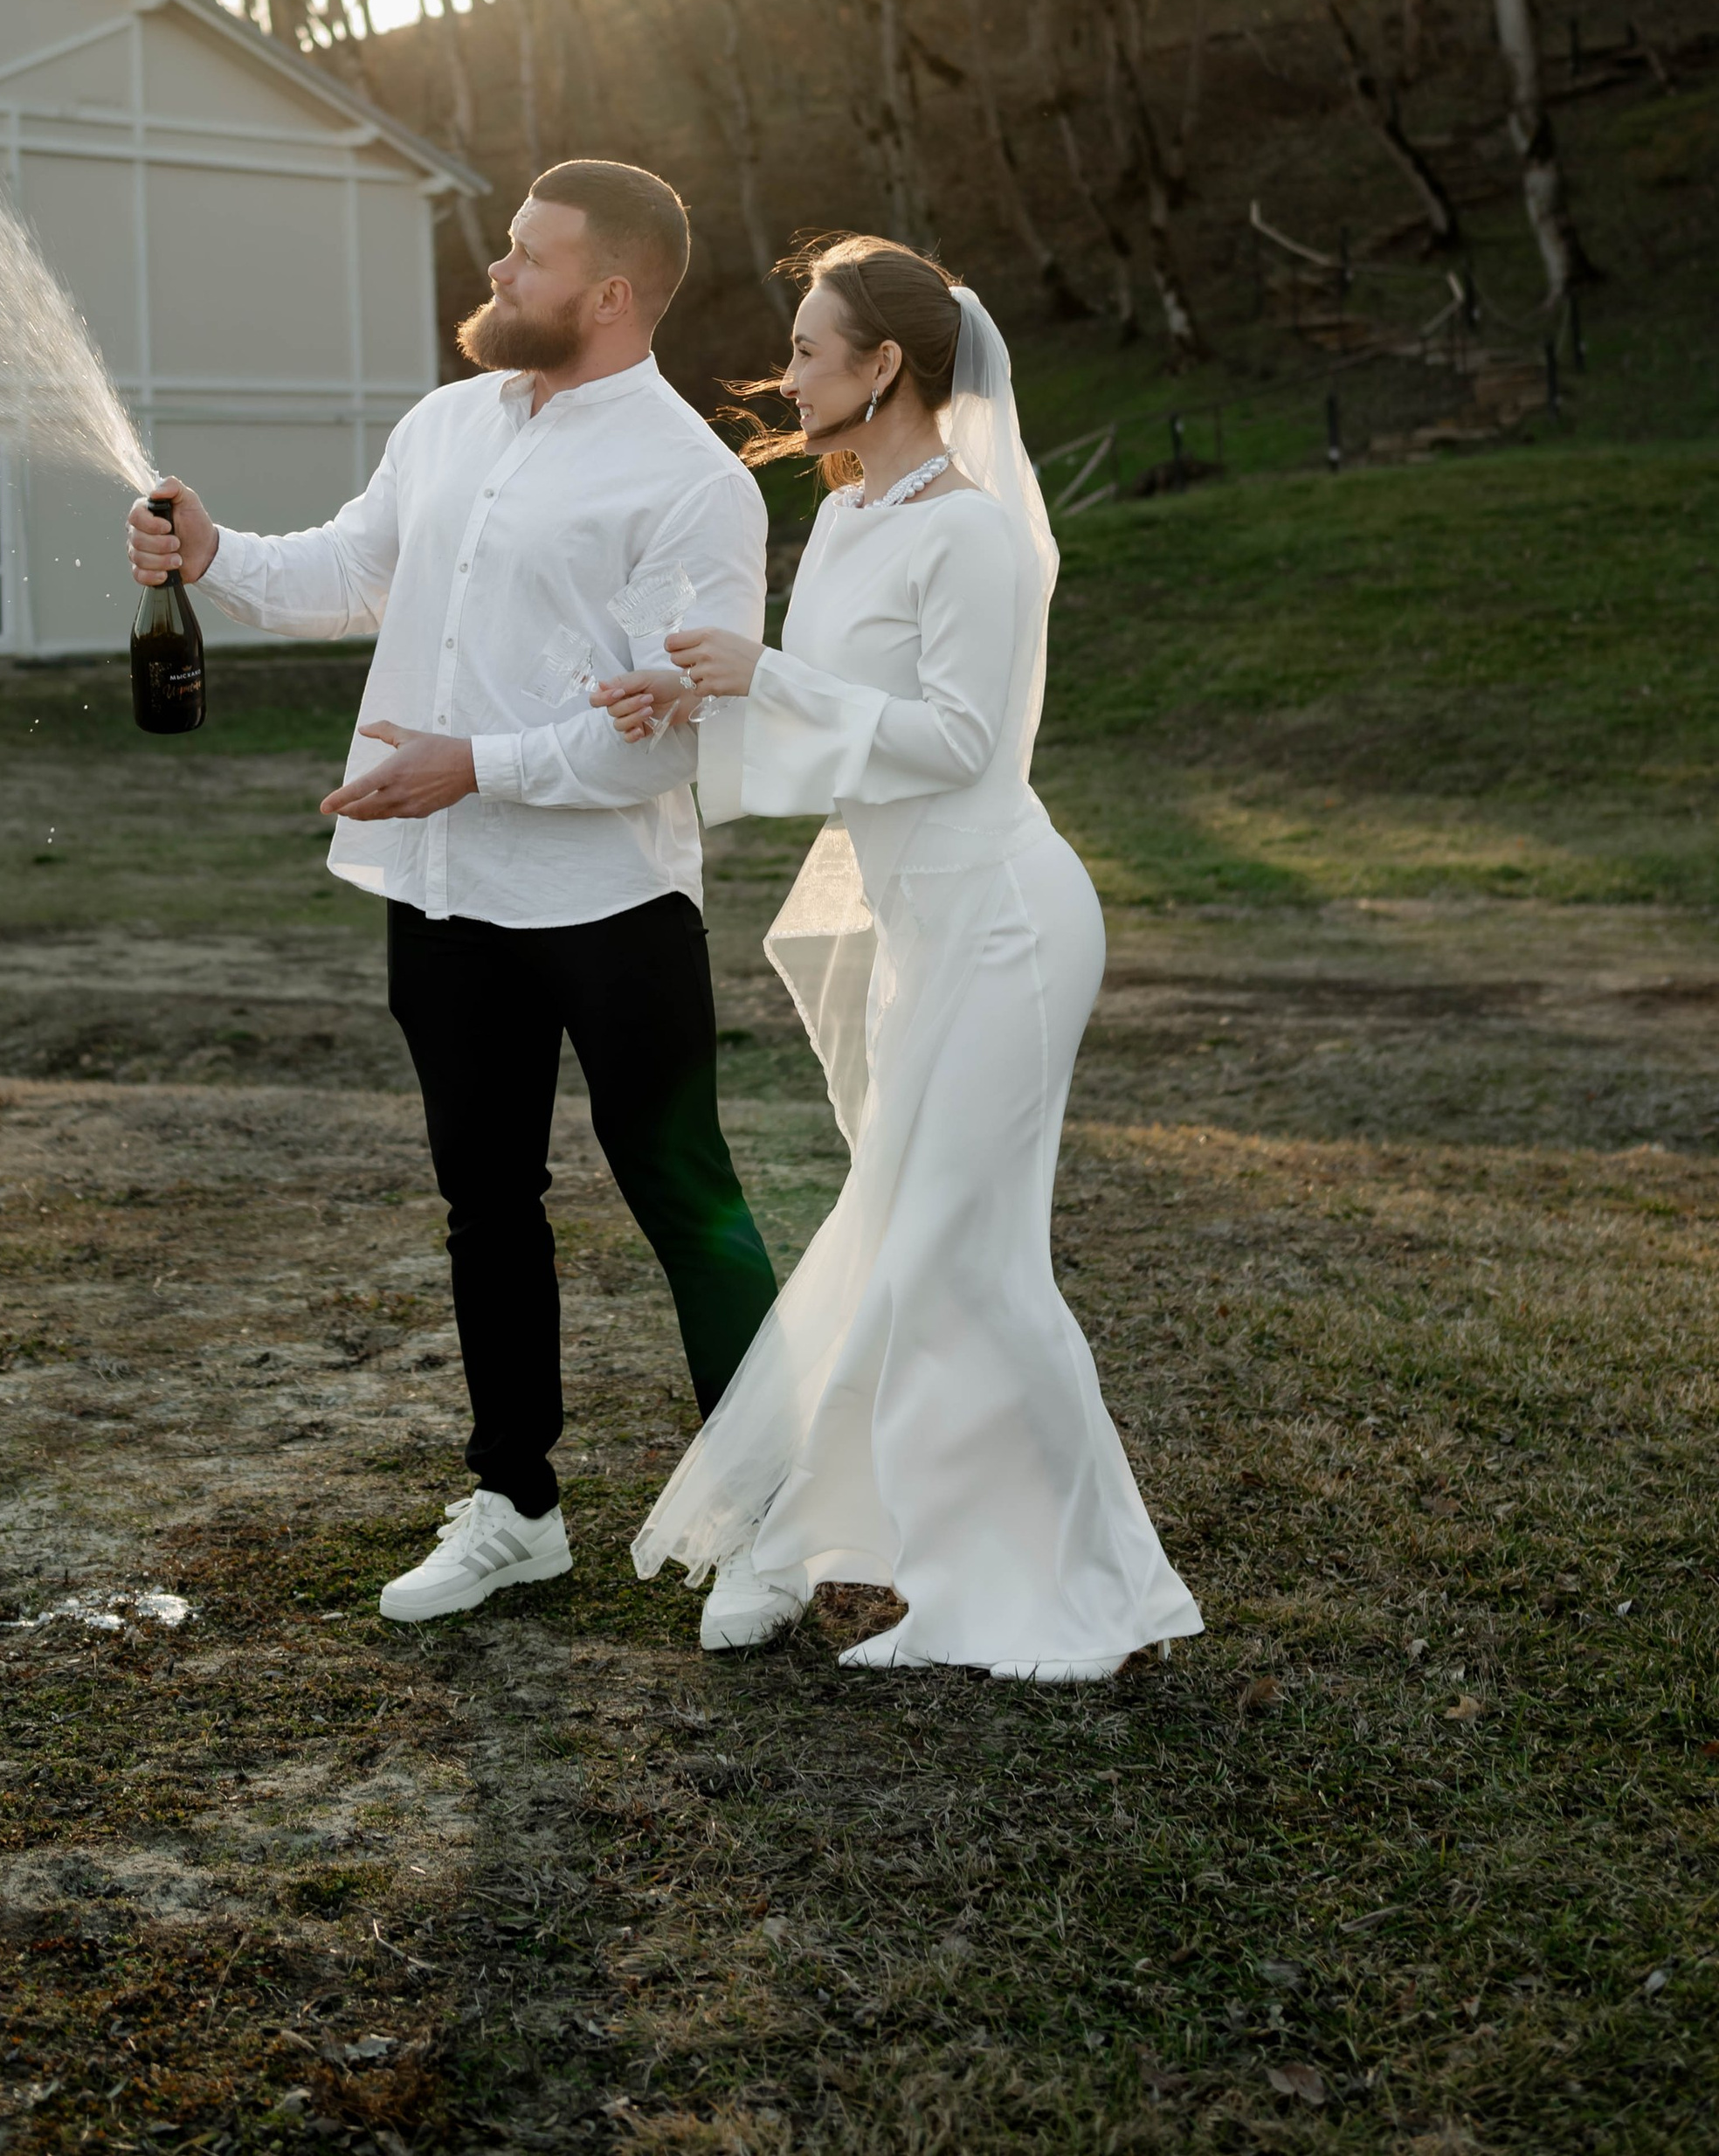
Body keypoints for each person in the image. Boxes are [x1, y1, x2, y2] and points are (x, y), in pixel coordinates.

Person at [127, 160, 777, 1626]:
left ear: (611, 293)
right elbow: (350, 572)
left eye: (530, 256)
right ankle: (516, 1509)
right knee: (486, 1201)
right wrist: (215, 553)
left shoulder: (694, 483)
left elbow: (671, 734)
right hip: (442, 894)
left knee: (687, 1199)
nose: (497, 272)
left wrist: (471, 765)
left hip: (612, 907)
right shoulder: (444, 424)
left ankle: (770, 1523)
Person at [593, 236, 1201, 1676]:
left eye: (810, 351)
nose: (787, 374)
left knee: (956, 1258)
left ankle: (1081, 1588)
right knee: (909, 1244)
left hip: (1007, 924)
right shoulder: (853, 516)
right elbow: (825, 719)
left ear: (885, 367)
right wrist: (690, 698)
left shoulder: (971, 534)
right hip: (921, 926)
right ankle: (824, 1544)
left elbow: (964, 742)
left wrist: (765, 673)